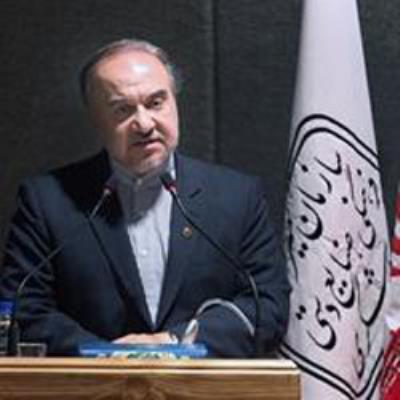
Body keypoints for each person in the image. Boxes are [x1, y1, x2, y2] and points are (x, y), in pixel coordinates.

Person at [0, 39, 290, 357]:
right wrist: (104, 355)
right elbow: (23, 311)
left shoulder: (237, 196)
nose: (144, 124)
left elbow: (268, 306)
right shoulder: (47, 201)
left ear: (174, 102)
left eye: (155, 103)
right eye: (122, 110)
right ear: (96, 120)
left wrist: (174, 342)